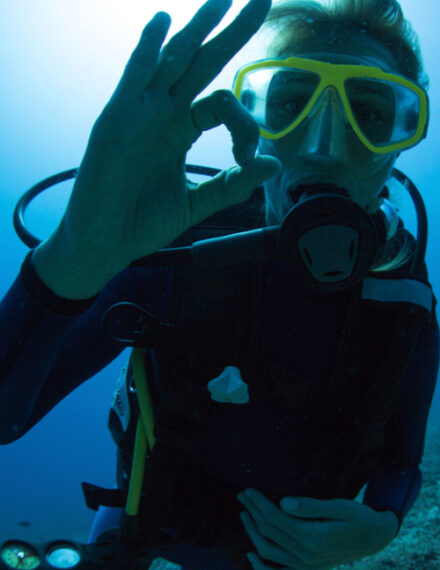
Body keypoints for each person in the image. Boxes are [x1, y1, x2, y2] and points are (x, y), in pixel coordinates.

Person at [0, 0, 438, 568]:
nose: (323, 146)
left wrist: (381, 525)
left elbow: (400, 463)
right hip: (143, 523)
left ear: (402, 142)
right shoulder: (179, 248)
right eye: (288, 104)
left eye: (372, 115)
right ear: (257, 126)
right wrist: (72, 262)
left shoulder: (401, 296)